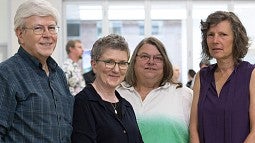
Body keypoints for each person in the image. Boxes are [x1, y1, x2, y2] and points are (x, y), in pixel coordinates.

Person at [0, 0, 74, 142]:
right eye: (38, 28)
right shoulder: (6, 74)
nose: (47, 35)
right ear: (20, 34)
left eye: (52, 28)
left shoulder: (58, 74)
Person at [189, 11, 255, 143]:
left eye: (223, 35)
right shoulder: (201, 76)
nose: (215, 41)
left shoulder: (251, 74)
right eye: (210, 35)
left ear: (236, 39)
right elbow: (193, 128)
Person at [117, 36, 193, 143]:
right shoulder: (117, 94)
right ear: (133, 61)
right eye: (145, 56)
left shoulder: (185, 95)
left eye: (158, 58)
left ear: (165, 63)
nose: (151, 62)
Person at [71, 34, 143, 143]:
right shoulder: (82, 103)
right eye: (109, 62)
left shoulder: (127, 107)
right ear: (94, 65)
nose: (116, 70)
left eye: (122, 63)